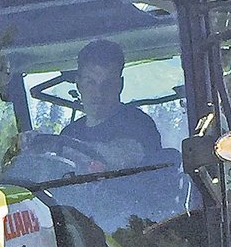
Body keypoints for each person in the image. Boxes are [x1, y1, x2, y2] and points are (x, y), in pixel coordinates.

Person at [62, 39, 164, 167]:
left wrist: (65, 147)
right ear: (78, 85)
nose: (99, 93)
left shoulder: (138, 123)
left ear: (120, 85)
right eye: (91, 82)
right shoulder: (70, 133)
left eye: (108, 83)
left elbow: (124, 157)